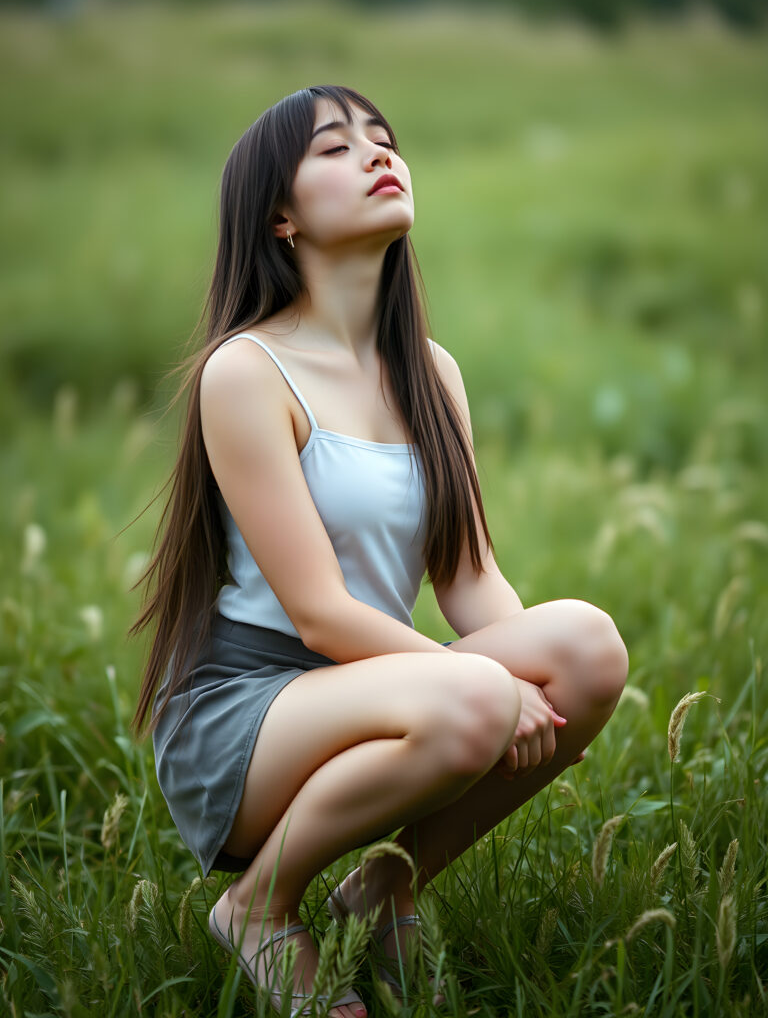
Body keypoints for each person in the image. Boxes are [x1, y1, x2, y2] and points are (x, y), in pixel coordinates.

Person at [131, 84, 628, 1018]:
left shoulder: (432, 371)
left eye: (384, 140)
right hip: (245, 713)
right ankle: (259, 906)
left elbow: (471, 578)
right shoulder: (246, 370)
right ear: (279, 218)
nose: (375, 155)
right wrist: (486, 687)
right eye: (334, 148)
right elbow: (320, 614)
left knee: (589, 647)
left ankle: (386, 886)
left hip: (374, 684)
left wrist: (543, 693)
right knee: (478, 694)